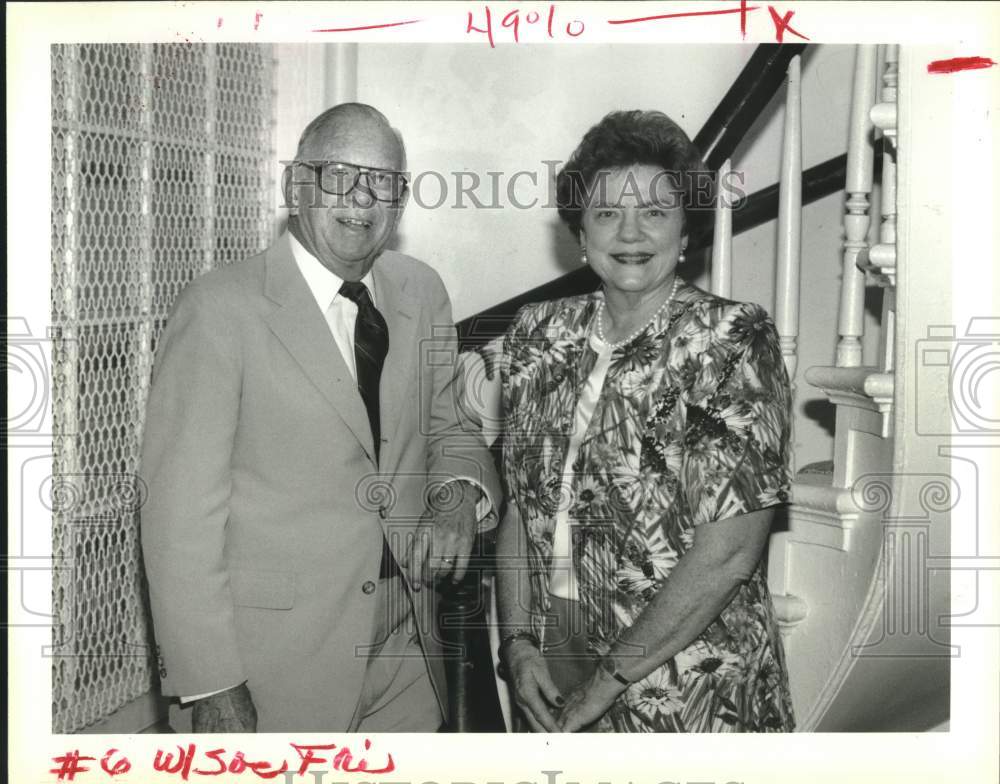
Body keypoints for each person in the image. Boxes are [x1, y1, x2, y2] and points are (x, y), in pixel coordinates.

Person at [140, 103, 500, 733]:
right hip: (273, 665)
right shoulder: (219, 308)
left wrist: (456, 499)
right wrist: (212, 683)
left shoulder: (423, 292)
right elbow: (177, 517)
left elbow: (450, 427)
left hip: (409, 649)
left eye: (383, 180)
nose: (363, 196)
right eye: (339, 173)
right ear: (294, 186)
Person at [494, 110, 795, 732]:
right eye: (606, 213)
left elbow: (729, 554)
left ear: (686, 231)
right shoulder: (537, 334)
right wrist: (517, 643)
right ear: (582, 232)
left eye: (655, 213)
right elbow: (521, 510)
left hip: (684, 670)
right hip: (552, 650)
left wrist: (608, 681)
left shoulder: (731, 339)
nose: (630, 232)